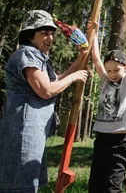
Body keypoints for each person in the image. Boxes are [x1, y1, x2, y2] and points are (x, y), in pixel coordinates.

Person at [0, 10, 89, 193]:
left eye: (51, 34)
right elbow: (46, 90)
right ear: (30, 34)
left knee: (25, 181)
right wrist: (74, 78)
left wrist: (80, 60)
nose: (50, 38)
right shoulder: (27, 54)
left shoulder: (37, 57)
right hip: (23, 129)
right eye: (44, 33)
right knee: (20, 183)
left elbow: (54, 81)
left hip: (32, 129)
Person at [87, 14, 126, 193]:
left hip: (120, 140)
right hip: (101, 139)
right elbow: (95, 58)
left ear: (124, 68)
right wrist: (93, 33)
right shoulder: (105, 82)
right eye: (109, 70)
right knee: (95, 186)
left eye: (116, 69)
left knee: (112, 187)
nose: (112, 73)